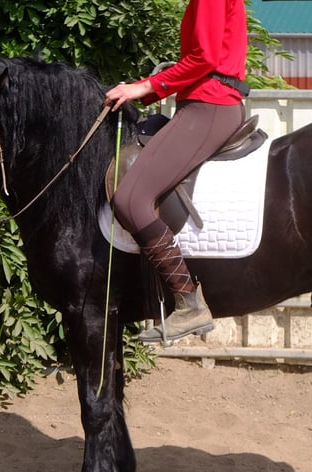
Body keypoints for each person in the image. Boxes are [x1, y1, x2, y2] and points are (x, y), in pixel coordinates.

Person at [104, 0, 248, 343]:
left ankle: (189, 304)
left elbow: (205, 59)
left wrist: (142, 87)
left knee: (130, 198)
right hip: (204, 103)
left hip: (210, 105)